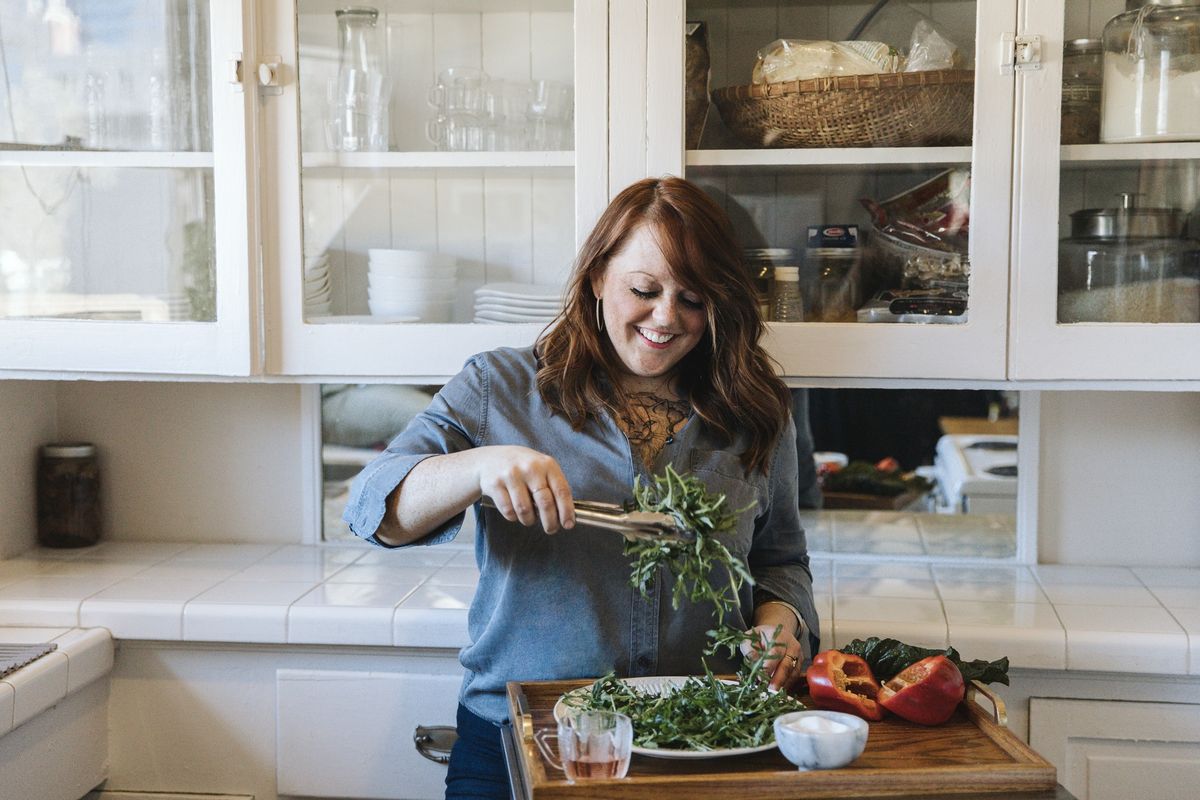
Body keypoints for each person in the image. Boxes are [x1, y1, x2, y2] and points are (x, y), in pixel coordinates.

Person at [342, 176, 820, 799]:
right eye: (643, 290)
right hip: (522, 735)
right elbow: (374, 509)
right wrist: (478, 467)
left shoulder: (755, 408)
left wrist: (782, 619)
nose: (666, 318)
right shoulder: (502, 387)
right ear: (597, 278)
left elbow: (780, 559)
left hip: (699, 736)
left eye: (694, 299)